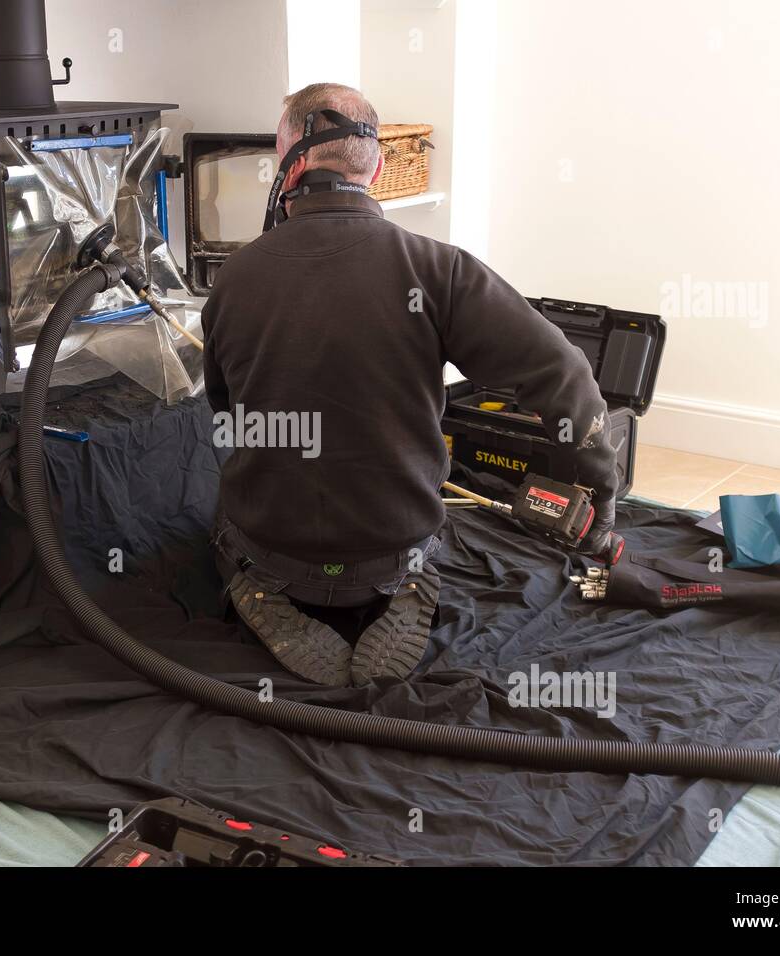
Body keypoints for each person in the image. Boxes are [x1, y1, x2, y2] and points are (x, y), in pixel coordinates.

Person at [200, 83, 618, 686]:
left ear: (287, 154)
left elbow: (225, 413)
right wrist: (598, 499)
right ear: (375, 163)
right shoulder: (438, 270)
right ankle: (406, 590)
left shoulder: (234, 278)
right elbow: (565, 378)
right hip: (393, 549)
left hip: (273, 547)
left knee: (221, 508)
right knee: (416, 519)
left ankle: (259, 588)